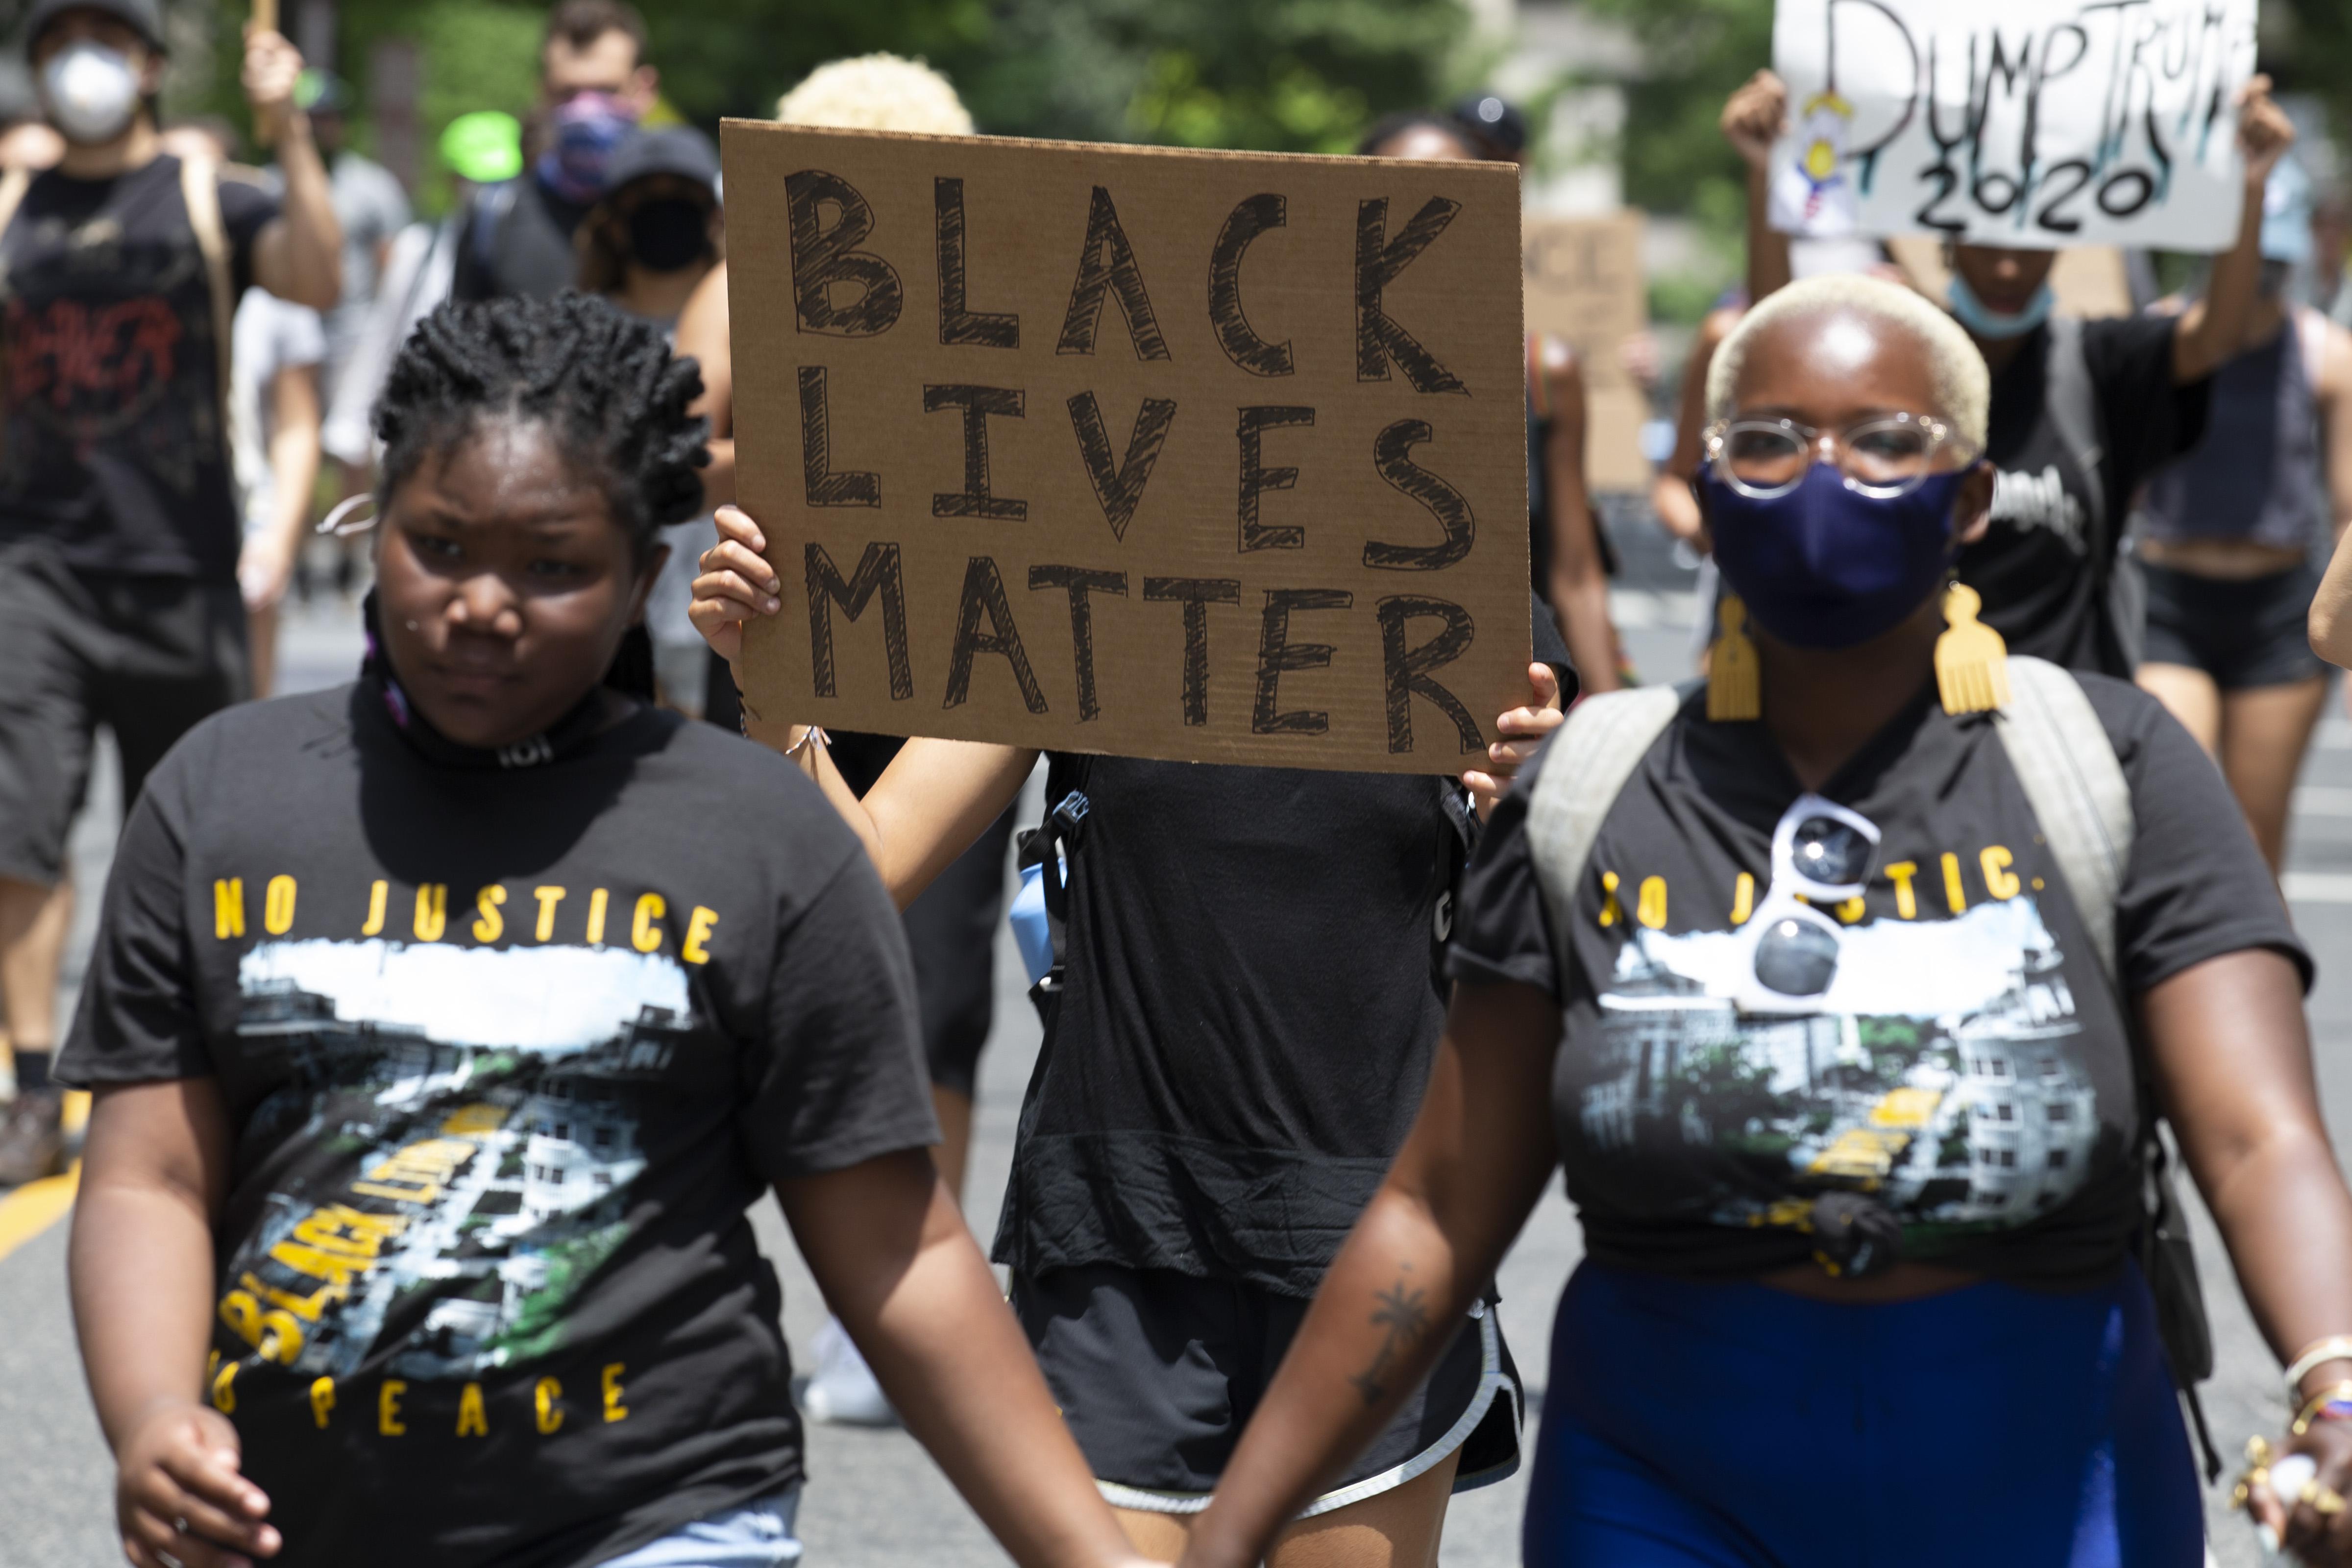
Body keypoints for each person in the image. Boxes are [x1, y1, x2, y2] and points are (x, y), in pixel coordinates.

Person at [1165, 271, 2352, 1568]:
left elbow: (2257, 1137)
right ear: (1710, 497)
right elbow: (1439, 1212)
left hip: (2053, 1486)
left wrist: (2335, 1387)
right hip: (1665, 1494)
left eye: (1885, 440)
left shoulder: (2110, 765)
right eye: (1770, 440)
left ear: (1968, 501)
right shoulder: (1592, 790)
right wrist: (1233, 1535)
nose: (1824, 474)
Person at [57, 292, 1159, 1568]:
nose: (483, 603)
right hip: (283, 1522)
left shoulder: (756, 837)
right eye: (439, 544)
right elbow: (152, 1175)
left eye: (554, 565)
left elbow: (896, 1247)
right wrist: (149, 1420)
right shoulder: (220, 798)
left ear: (646, 573)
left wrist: (1094, 1558)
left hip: (660, 1518)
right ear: (374, 531)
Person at [692, 493, 1567, 1561]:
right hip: (1117, 1229)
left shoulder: (1451, 582)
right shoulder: (1078, 589)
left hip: (1372, 1221)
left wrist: (1543, 795)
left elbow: (1582, 899)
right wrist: (766, 681)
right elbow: (862, 868)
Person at [671, 53, 1008, 1428]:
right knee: (738, 961)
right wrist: (829, 459)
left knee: (932, 984)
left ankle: (903, 1300)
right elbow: (675, 445)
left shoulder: (991, 291)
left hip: (950, 656)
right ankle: (705, 1244)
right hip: (771, 641)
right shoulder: (747, 279)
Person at [0, 0, 341, 1185]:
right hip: (34, 568)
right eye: (55, 44)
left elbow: (318, 271)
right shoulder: (11, 209)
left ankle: (197, 1073)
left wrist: (285, 130)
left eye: (100, 40)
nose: (77, 64)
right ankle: (35, 1089)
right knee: (23, 827)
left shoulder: (209, 197)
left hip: (180, 570)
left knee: (192, 838)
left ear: (146, 64)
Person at [1723, 67, 2295, 678]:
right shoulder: (1903, 357)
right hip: (1904, 707)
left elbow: (2218, 335)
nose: (2005, 269)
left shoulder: (2100, 363)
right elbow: (1777, 341)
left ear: (2060, 244)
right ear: (1946, 239)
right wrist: (1767, 172)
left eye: (2028, 245)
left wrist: (2251, 186)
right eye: (1985, 243)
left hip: (2064, 712)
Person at [2134, 158, 2352, 878]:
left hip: (2278, 611)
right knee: (2184, 820)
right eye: (2247, 263)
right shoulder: (2160, 337)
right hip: (2168, 602)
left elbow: (2349, 500)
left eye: (2273, 266)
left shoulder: (2326, 352)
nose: (2260, 283)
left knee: (2258, 849)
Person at [1358, 108, 1625, 691]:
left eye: (1451, 194)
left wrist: (1612, 731)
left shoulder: (1543, 371)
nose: (1422, 217)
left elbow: (1574, 571)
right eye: (1398, 191)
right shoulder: (1292, 369)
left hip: (1498, 707)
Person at [161, 118, 329, 701]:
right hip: (150, 519)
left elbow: (297, 424)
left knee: (238, 702)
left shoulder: (276, 295)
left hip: (243, 508)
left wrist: (279, 539)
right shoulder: (137, 274)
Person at [452, 0, 657, 306]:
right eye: (569, 92)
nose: (586, 109)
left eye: (606, 90)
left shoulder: (686, 209)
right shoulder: (495, 213)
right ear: (544, 91)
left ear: (643, 90)